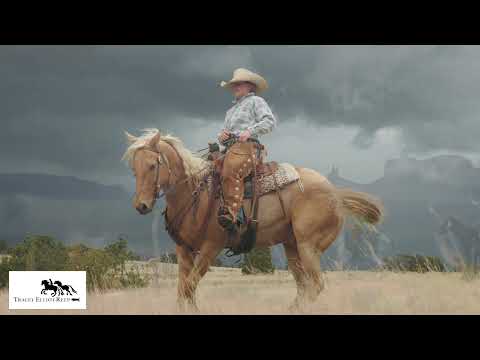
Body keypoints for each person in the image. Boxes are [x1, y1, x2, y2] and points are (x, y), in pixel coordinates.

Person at [216, 68, 277, 232]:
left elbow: (270, 121)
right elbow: (223, 133)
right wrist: (222, 137)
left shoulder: (256, 101)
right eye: (234, 84)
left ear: (250, 86)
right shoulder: (230, 111)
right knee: (206, 171)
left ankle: (233, 214)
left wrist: (250, 131)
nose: (235, 87)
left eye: (239, 84)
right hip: (230, 149)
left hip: (249, 148)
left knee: (230, 169)